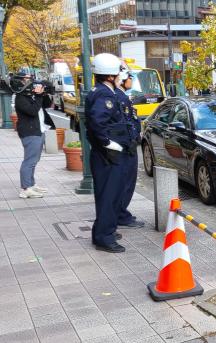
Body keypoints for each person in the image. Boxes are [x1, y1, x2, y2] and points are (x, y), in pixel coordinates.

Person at [86, 53, 131, 253]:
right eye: (118, 73)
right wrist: (108, 144)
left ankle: (105, 231)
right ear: (110, 76)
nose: (121, 77)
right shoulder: (104, 94)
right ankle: (104, 237)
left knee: (110, 194)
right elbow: (98, 122)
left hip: (108, 154)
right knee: (108, 196)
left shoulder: (103, 91)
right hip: (107, 155)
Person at [114, 64, 145, 229]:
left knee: (126, 181)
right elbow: (125, 122)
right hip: (126, 146)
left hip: (128, 143)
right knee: (126, 181)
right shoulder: (119, 96)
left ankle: (121, 212)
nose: (132, 81)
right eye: (130, 78)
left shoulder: (120, 95)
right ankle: (121, 214)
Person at [15, 74, 55, 198]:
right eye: (26, 79)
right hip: (30, 132)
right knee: (29, 161)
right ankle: (25, 189)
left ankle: (31, 184)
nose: (30, 82)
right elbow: (32, 111)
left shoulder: (30, 95)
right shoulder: (20, 97)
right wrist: (38, 96)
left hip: (39, 130)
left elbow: (47, 105)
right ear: (20, 83)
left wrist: (44, 93)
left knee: (34, 160)